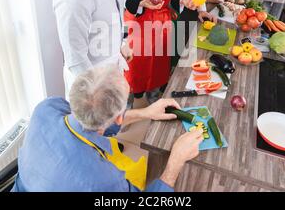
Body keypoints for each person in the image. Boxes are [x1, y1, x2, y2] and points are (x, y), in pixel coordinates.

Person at [11, 66, 203, 192]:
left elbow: (89, 117)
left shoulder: (46, 108)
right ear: (119, 117)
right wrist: (175, 161)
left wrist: (146, 112)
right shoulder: (105, 180)